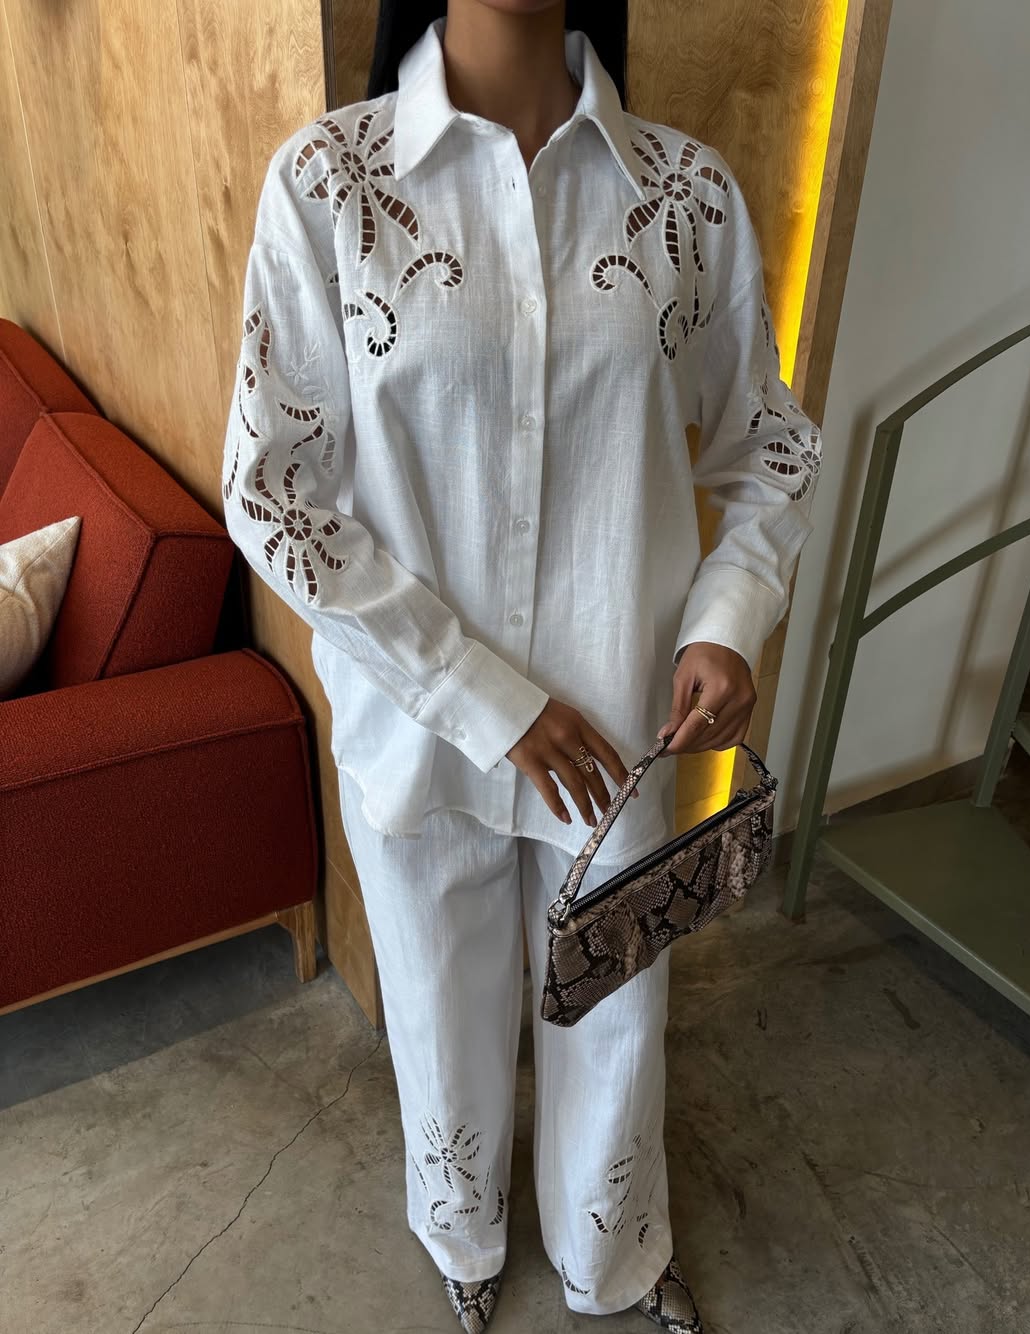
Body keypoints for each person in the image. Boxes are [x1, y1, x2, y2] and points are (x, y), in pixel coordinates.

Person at [221, 2, 823, 1330]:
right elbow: (273, 491)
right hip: (418, 725)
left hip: (622, 728)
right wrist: (481, 696)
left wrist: (728, 616)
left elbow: (767, 447)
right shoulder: (330, 186)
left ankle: (613, 1250)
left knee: (618, 1017)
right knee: (439, 1008)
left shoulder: (682, 197)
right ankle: (463, 1233)